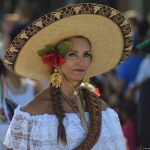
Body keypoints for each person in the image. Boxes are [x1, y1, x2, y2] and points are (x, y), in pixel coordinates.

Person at [2, 3, 133, 150]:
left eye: (86, 55)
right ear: (55, 60)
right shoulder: (31, 113)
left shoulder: (103, 110)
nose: (81, 61)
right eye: (72, 54)